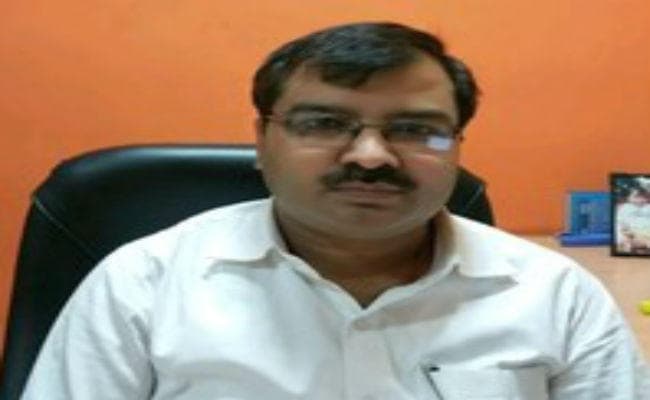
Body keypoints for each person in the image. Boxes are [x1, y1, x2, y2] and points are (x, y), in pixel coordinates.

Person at [21, 22, 649, 399]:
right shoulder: (142, 285)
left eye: (416, 129)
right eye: (323, 123)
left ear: (457, 146)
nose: (371, 156)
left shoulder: (555, 294)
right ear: (262, 141)